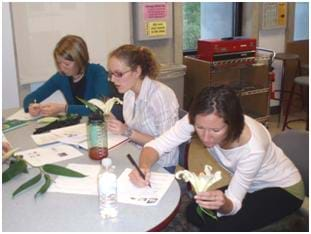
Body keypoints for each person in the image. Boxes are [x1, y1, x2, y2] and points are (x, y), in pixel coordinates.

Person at [129, 85, 304, 231]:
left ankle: (288, 223)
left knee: (216, 227)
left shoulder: (253, 147)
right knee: (193, 212)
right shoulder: (201, 118)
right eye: (200, 128)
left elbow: (233, 204)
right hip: (250, 185)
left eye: (215, 131)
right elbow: (157, 145)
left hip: (283, 188)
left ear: (233, 123)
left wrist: (223, 204)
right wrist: (144, 167)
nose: (205, 137)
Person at [106, 44, 179, 173]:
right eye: (111, 74)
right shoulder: (129, 93)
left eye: (118, 74)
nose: (112, 79)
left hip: (160, 163)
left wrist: (127, 131)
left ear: (137, 71)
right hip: (136, 153)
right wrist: (114, 123)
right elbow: (134, 127)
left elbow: (166, 144)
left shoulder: (160, 95)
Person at [23, 35, 122, 119]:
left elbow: (98, 108)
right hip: (76, 129)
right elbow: (30, 98)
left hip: (100, 127)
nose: (62, 67)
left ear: (80, 60)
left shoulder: (97, 72)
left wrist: (64, 108)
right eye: (59, 63)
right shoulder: (61, 77)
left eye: (66, 64)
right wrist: (31, 106)